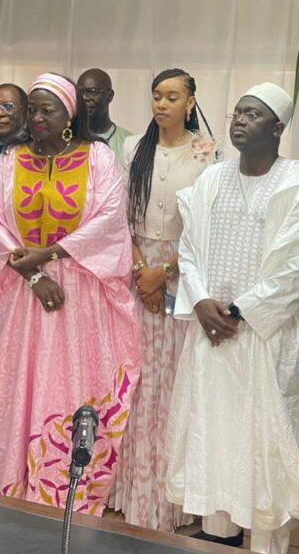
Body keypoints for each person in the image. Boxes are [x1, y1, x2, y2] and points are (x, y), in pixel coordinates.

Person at [165, 83, 299, 554]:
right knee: (217, 433)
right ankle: (219, 535)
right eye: (237, 112)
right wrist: (201, 302)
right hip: (214, 331)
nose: (240, 120)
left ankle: (267, 542)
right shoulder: (211, 180)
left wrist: (239, 312)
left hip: (271, 335)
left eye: (253, 114)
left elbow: (296, 269)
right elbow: (189, 249)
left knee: (268, 444)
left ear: (277, 128)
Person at [0, 73, 140, 514]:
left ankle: (65, 489)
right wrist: (33, 275)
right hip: (21, 293)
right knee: (11, 389)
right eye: (34, 109)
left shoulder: (98, 157)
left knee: (73, 386)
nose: (38, 117)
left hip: (79, 293)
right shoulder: (11, 159)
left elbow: (109, 218)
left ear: (70, 114)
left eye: (49, 110)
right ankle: (10, 482)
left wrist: (51, 254)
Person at [114, 69, 216, 531]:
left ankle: (171, 499)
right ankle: (131, 489)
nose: (162, 104)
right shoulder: (135, 148)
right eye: (157, 95)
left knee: (173, 387)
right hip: (135, 276)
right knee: (136, 383)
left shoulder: (207, 153)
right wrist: (142, 274)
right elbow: (120, 220)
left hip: (182, 277)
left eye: (173, 97)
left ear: (190, 103)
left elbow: (205, 230)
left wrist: (164, 275)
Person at [77, 68, 133, 162]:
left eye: (92, 92)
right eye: (80, 92)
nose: (84, 98)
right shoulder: (68, 141)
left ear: (110, 96)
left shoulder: (128, 143)